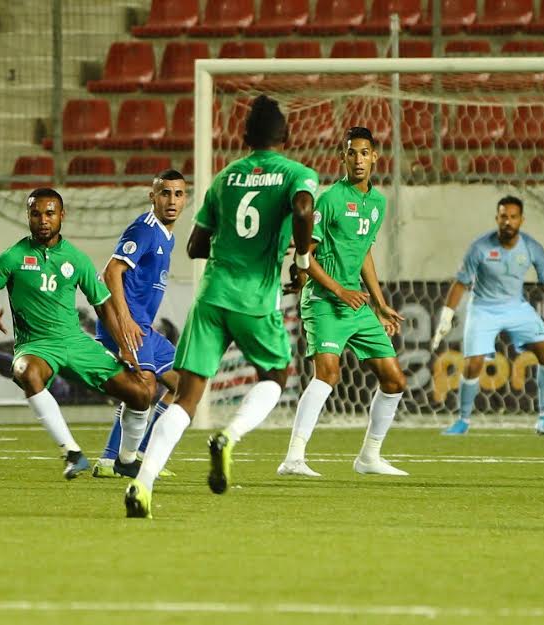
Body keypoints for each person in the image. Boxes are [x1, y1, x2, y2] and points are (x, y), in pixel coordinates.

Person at [123, 95, 318, 518]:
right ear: (286, 135)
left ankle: (143, 483)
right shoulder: (297, 174)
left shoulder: (225, 178)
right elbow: (304, 208)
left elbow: (195, 246)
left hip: (211, 296)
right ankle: (229, 436)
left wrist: (229, 244)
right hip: (254, 298)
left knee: (186, 397)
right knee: (275, 374)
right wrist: (301, 261)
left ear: (244, 136)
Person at [0, 188, 152, 479]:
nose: (43, 220)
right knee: (26, 371)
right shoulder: (12, 257)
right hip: (36, 346)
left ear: (61, 216)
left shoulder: (77, 259)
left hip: (75, 343)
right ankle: (72, 453)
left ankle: (127, 459)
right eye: (36, 214)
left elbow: (103, 305)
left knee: (141, 393)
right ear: (28, 216)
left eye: (50, 213)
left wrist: (124, 346)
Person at [278, 126, 408, 478]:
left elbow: (363, 252)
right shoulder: (331, 199)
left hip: (356, 303)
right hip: (325, 300)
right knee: (328, 374)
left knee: (394, 380)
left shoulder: (377, 203)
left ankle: (369, 457)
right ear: (343, 158)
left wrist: (379, 303)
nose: (358, 159)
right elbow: (305, 257)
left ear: (375, 157)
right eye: (352, 153)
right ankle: (293, 457)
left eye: (364, 152)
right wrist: (339, 291)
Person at [433, 196, 544, 436]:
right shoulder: (480, 247)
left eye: (513, 217)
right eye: (504, 216)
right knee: (473, 363)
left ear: (521, 220)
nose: (508, 221)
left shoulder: (532, 247)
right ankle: (463, 421)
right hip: (483, 308)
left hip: (516, 307)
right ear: (497, 218)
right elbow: (461, 283)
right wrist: (446, 316)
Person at [91, 169, 186, 479]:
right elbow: (110, 272)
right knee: (143, 387)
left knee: (184, 384)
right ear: (152, 196)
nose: (171, 200)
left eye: (178, 194)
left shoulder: (167, 237)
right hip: (128, 325)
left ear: (185, 199)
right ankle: (114, 460)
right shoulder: (144, 229)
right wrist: (125, 321)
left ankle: (141, 454)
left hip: (143, 327)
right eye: (165, 193)